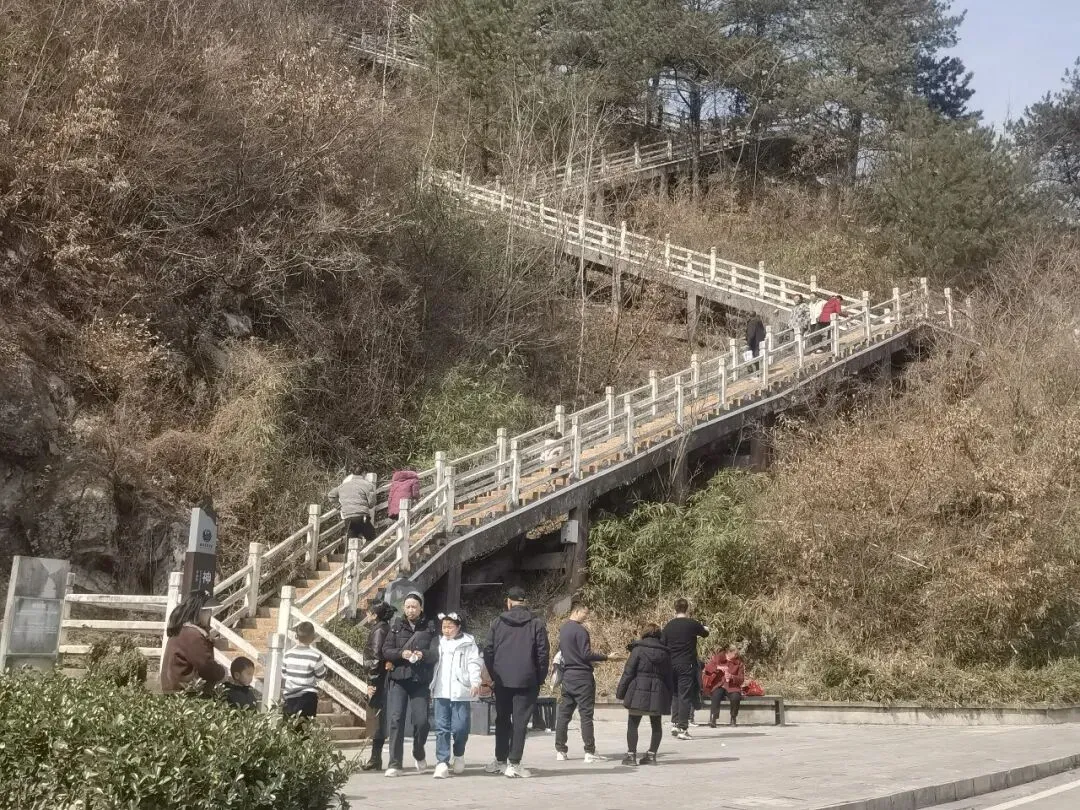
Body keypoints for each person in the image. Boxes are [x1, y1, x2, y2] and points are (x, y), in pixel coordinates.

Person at [483, 586, 550, 778]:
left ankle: (500, 761)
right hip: (527, 680)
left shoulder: (497, 622)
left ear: (509, 602)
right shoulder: (536, 623)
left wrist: (495, 674)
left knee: (502, 720)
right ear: (525, 602)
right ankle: (514, 763)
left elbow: (488, 650)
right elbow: (543, 654)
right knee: (520, 722)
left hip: (502, 679)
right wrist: (539, 678)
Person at [380, 591, 439, 777]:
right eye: (408, 607)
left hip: (419, 680)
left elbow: (436, 653)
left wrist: (423, 655)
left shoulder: (430, 628)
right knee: (396, 720)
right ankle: (395, 763)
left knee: (422, 722)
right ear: (403, 608)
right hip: (399, 679)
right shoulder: (396, 627)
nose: (411, 610)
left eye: (414, 607)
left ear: (421, 608)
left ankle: (418, 751)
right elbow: (386, 650)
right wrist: (401, 654)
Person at [430, 611, 484, 779]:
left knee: (461, 727)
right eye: (444, 627)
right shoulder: (438, 642)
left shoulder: (468, 642)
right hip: (441, 690)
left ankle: (459, 754)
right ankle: (442, 761)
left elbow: (474, 662)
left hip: (461, 690)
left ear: (458, 627)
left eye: (450, 627)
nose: (446, 630)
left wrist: (475, 681)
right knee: (441, 728)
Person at [554, 601, 608, 763]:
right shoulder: (581, 630)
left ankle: (560, 750)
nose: (586, 616)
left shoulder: (563, 629)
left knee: (564, 715)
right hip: (583, 677)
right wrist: (606, 657)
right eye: (585, 613)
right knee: (586, 716)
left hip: (568, 676)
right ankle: (589, 752)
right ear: (576, 611)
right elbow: (585, 654)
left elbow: (565, 652)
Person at [616, 623, 673, 766]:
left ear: (644, 633)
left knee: (633, 723)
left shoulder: (638, 649)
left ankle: (631, 756)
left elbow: (628, 672)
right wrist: (669, 696)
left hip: (638, 690)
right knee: (656, 724)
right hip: (658, 690)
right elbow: (669, 677)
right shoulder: (665, 653)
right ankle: (652, 755)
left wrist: (620, 692)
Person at [160, 590, 227, 695]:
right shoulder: (192, 634)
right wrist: (223, 672)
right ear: (198, 611)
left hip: (175, 691)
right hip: (184, 694)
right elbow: (207, 668)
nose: (210, 614)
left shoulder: (184, 629)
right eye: (207, 610)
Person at [661, 598, 708, 740]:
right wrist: (705, 628)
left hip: (671, 664)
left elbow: (663, 643)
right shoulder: (692, 624)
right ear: (687, 608)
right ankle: (683, 728)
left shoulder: (668, 626)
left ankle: (675, 723)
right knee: (685, 695)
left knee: (675, 694)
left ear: (675, 609)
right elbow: (705, 633)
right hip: (686, 664)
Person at [361, 600, 396, 772]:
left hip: (378, 679)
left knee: (376, 717)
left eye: (368, 612)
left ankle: (375, 758)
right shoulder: (382, 628)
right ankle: (375, 757)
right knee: (377, 718)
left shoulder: (379, 630)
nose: (366, 615)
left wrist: (372, 682)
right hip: (381, 678)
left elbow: (376, 658)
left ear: (374, 615)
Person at [282, 621, 327, 721]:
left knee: (289, 728)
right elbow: (321, 676)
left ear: (296, 636)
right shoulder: (315, 656)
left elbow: (284, 674)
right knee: (305, 728)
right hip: (308, 698)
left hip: (290, 697)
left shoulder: (288, 654)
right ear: (313, 637)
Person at [328, 471, 377, 544]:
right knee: (371, 538)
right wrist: (368, 504)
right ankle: (365, 551)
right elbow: (371, 503)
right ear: (363, 473)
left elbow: (331, 495)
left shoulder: (343, 485)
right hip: (362, 516)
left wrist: (338, 505)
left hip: (348, 517)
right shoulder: (367, 485)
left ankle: (351, 551)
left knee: (351, 541)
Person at [706, 645, 745, 727]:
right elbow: (708, 668)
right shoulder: (718, 658)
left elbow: (741, 679)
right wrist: (718, 667)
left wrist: (732, 677)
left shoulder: (739, 663)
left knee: (736, 697)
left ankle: (733, 718)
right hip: (719, 684)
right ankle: (713, 718)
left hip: (732, 686)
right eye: (735, 654)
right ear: (729, 652)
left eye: (737, 654)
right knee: (716, 695)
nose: (736, 656)